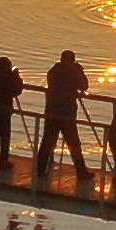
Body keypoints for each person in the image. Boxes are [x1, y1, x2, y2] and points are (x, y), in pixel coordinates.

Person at [36, 50, 89, 182]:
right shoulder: (73, 72)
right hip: (66, 113)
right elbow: (84, 86)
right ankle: (81, 171)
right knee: (74, 143)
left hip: (52, 111)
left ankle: (40, 169)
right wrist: (79, 71)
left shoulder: (53, 71)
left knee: (48, 141)